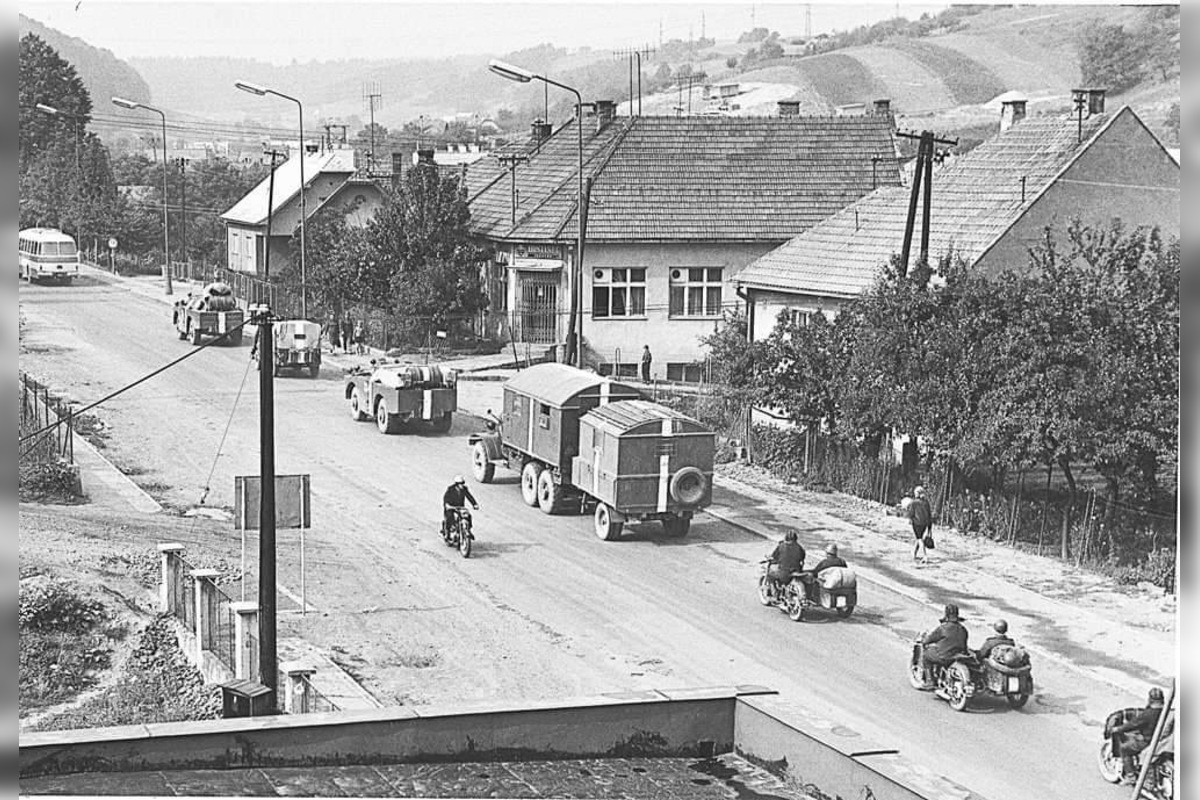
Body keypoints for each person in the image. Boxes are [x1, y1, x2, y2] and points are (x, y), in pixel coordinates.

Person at [1111, 687, 1167, 784]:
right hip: (1163, 740)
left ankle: (1130, 776)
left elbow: (1133, 724)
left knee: (1124, 749)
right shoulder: (1167, 711)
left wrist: (1118, 729)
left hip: (1148, 741)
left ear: (1150, 699)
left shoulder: (1148, 714)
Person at [921, 603, 969, 686]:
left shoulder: (943, 628)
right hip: (958, 655)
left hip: (944, 656)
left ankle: (930, 681)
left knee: (926, 656)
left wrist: (924, 641)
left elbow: (928, 640)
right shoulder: (963, 629)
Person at [442, 475, 479, 540]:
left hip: (460, 507)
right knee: (449, 517)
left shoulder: (464, 489)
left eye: (462, 483)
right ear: (457, 484)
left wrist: (474, 504)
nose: (462, 485)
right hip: (452, 507)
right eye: (460, 484)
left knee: (468, 516)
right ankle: (447, 533)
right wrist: (447, 505)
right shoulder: (450, 489)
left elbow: (469, 496)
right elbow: (446, 498)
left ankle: (468, 529)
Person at [909, 486, 933, 563]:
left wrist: (910, 519)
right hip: (925, 524)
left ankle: (925, 556)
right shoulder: (926, 502)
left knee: (919, 539)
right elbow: (929, 514)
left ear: (917, 493)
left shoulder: (914, 502)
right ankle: (914, 553)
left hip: (916, 523)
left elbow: (911, 513)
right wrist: (929, 525)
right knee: (918, 538)